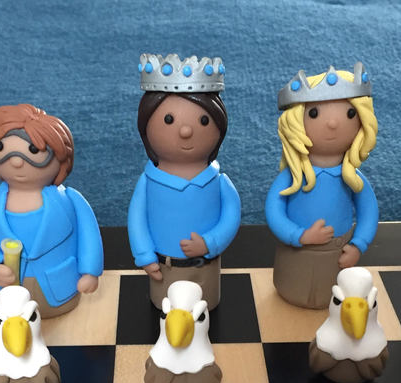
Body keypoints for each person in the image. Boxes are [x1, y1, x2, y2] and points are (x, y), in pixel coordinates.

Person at [128, 53, 240, 311]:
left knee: (205, 309)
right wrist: (144, 255)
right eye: (169, 120)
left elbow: (231, 216)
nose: (186, 131)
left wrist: (210, 243)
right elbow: (137, 219)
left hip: (206, 268)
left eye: (203, 121)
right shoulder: (148, 182)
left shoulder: (219, 182)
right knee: (165, 312)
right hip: (163, 269)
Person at [0, 103, 102, 318]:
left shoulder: (71, 200)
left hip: (62, 286)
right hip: (13, 288)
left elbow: (89, 236)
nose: (16, 161)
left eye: (33, 151)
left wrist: (90, 271)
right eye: (1, 148)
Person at [266, 63, 379, 309]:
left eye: (350, 114)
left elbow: (369, 211)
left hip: (338, 252)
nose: (333, 124)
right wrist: (298, 235)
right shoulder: (292, 175)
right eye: (315, 113)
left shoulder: (352, 177)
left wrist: (358, 244)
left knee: (335, 294)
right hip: (296, 252)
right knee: (293, 284)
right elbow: (273, 209)